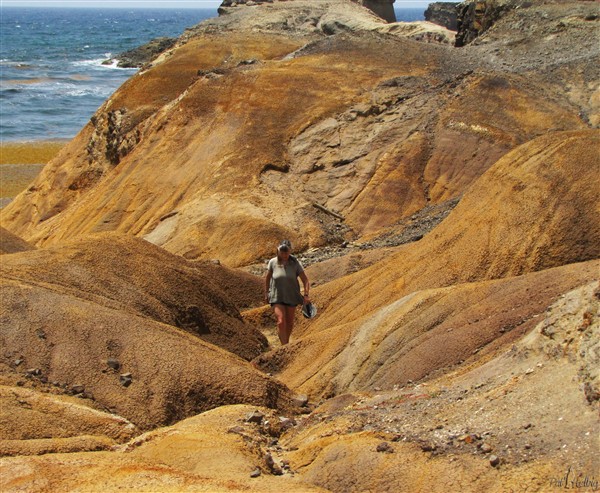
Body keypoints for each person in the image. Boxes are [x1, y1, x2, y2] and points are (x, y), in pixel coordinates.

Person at [264, 239, 310, 345]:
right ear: (278, 251)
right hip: (277, 296)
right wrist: (266, 293)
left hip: (291, 295)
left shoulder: (295, 263)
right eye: (282, 252)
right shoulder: (273, 262)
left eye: (286, 252)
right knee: (281, 321)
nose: (284, 254)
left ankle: (286, 343)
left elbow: (305, 280)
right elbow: (267, 278)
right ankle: (284, 346)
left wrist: (306, 295)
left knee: (289, 323)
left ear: (290, 251)